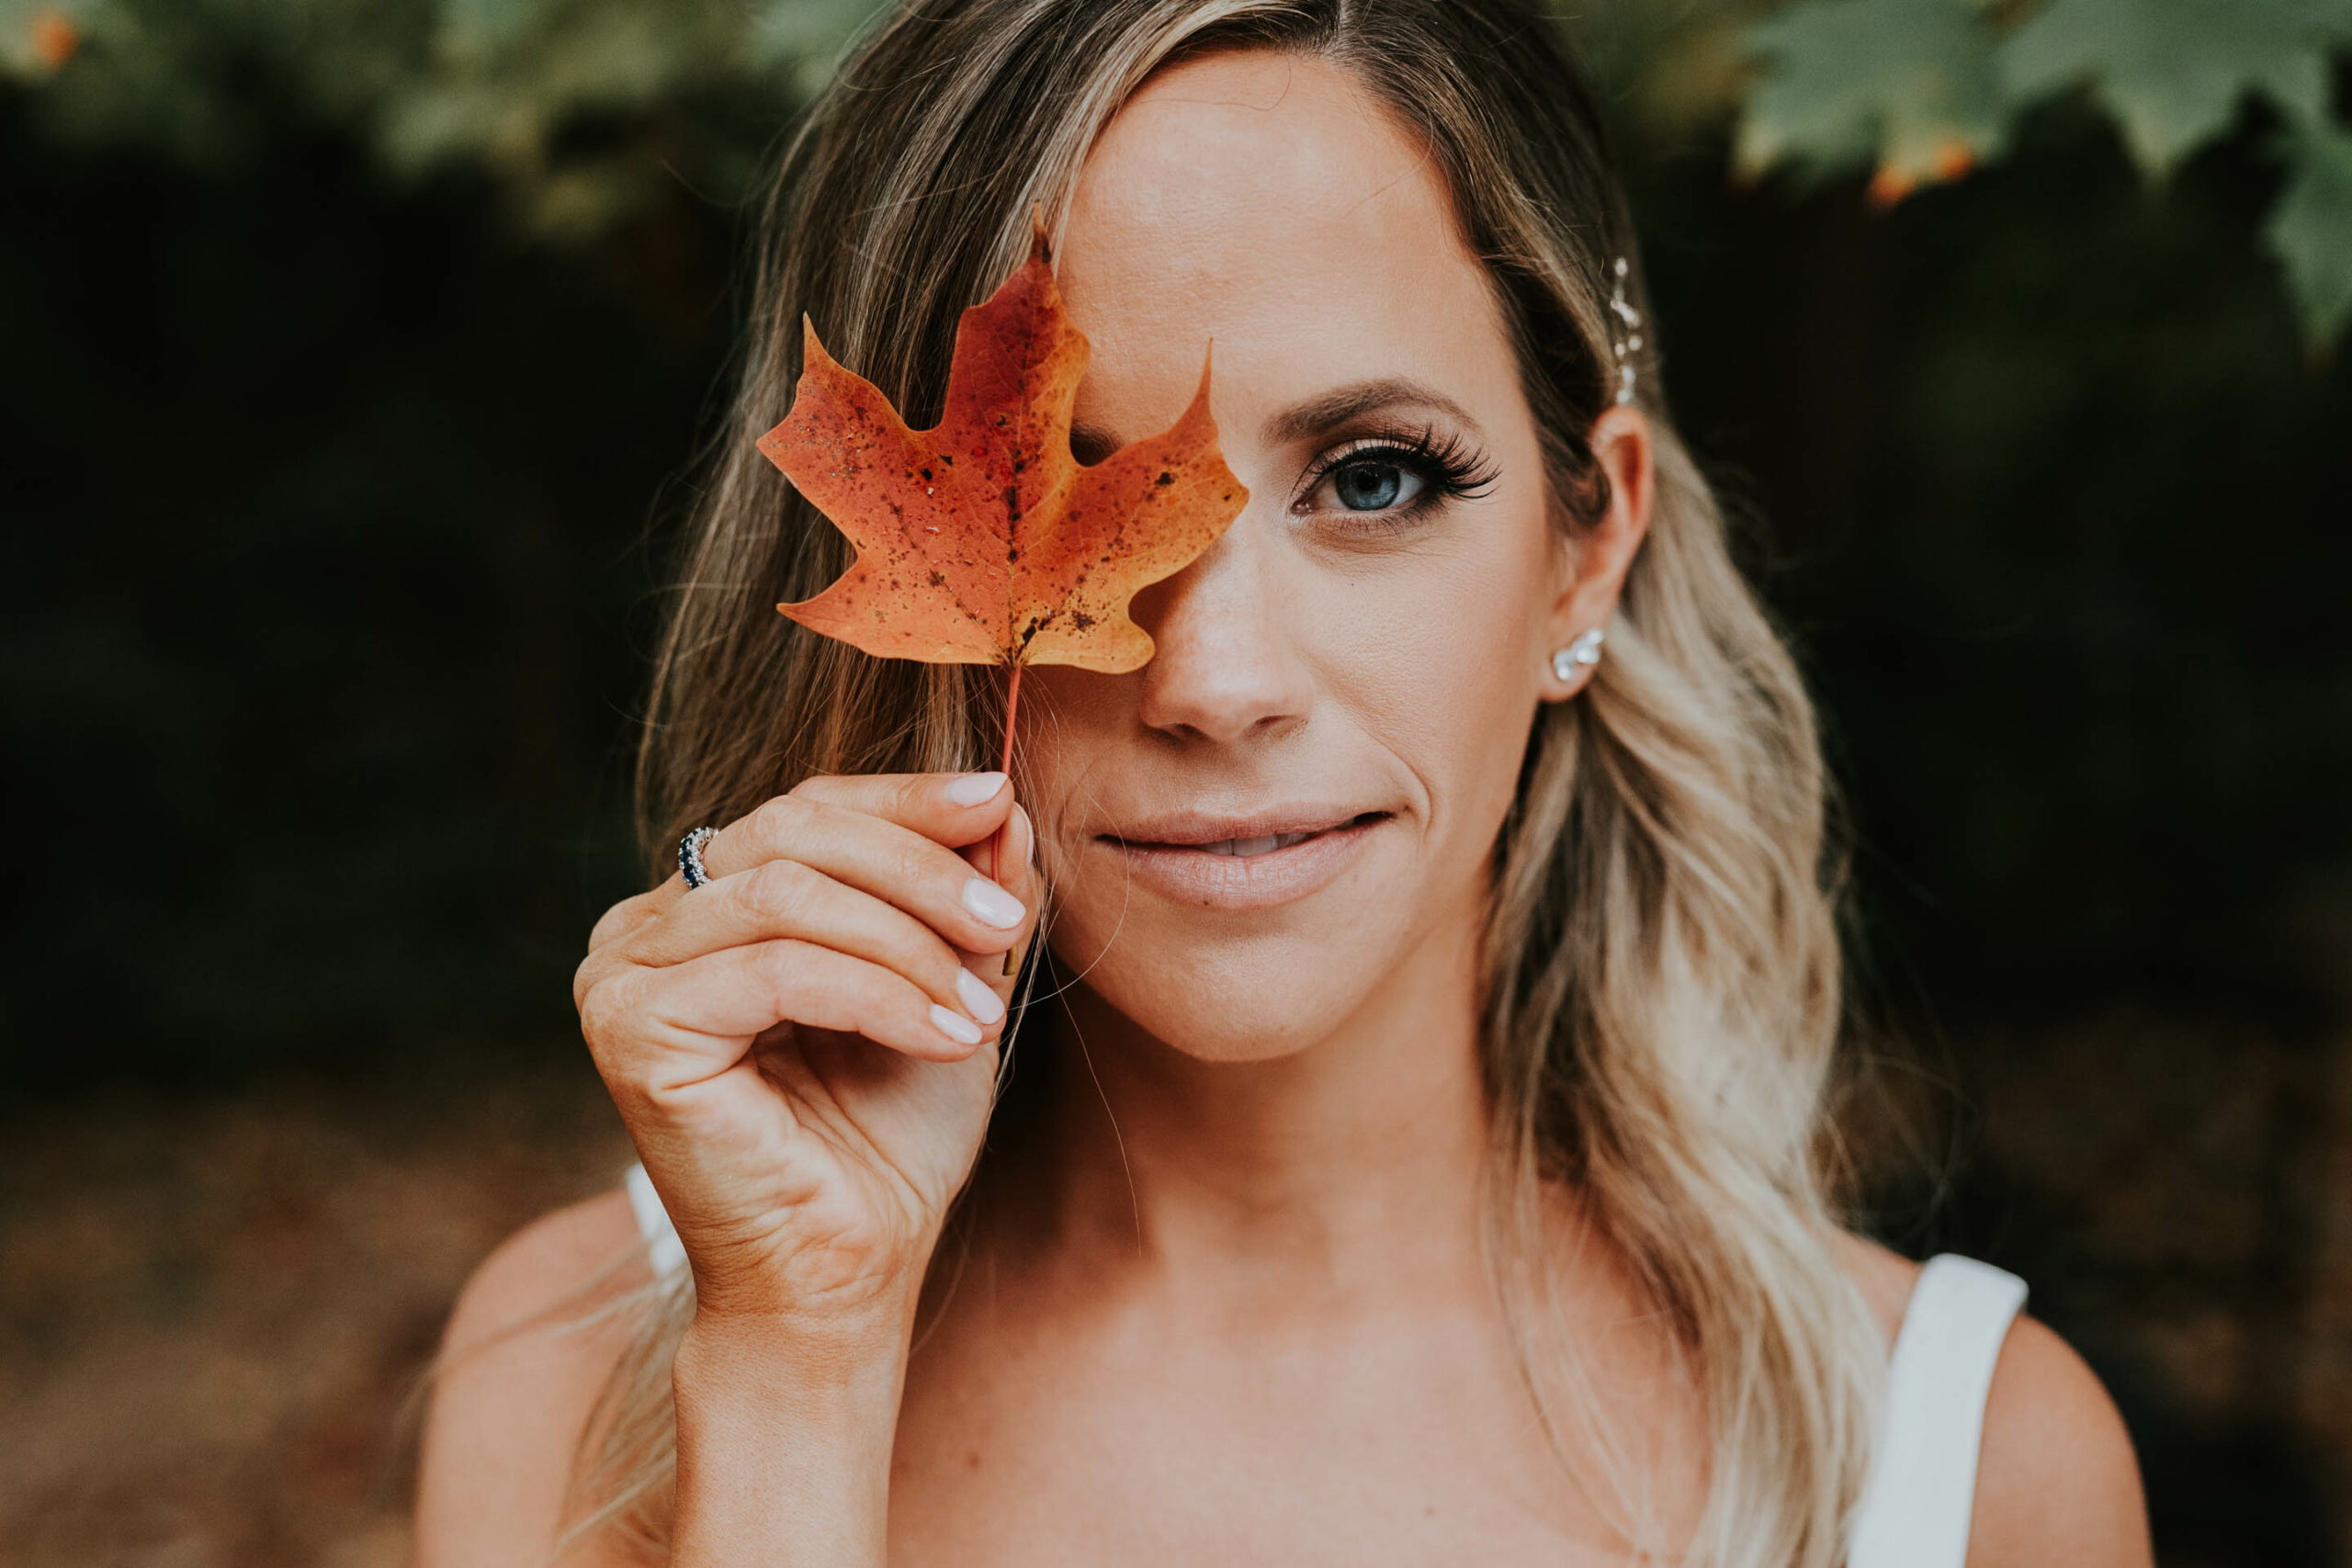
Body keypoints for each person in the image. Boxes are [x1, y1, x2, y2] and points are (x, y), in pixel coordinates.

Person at [413, 2, 2154, 1563]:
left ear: (1590, 547)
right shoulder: (581, 1379)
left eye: (1376, 479)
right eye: (1073, 496)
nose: (1217, 682)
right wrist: (798, 1366)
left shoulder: (1966, 1472)